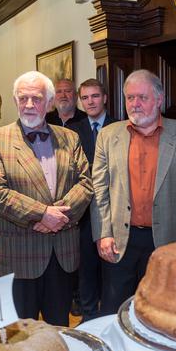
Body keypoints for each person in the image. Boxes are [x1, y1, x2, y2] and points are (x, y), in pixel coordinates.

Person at [0, 70, 92, 326]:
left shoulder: (70, 138)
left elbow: (86, 183)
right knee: (21, 332)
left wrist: (57, 217)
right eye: (23, 98)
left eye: (37, 98)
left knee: (59, 328)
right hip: (20, 253)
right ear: (15, 101)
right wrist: (43, 214)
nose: (29, 105)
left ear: (50, 102)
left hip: (62, 251)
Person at [91, 69, 176, 315]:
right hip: (120, 240)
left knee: (161, 311)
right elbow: (99, 189)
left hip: (167, 241)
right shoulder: (108, 135)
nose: (135, 104)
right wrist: (103, 234)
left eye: (142, 97)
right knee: (113, 311)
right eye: (130, 98)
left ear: (159, 99)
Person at [68, 78, 116, 321]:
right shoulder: (73, 130)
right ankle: (88, 317)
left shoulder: (120, 126)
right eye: (85, 98)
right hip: (85, 209)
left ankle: (109, 315)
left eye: (95, 96)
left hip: (115, 207)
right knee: (86, 265)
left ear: (105, 98)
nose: (90, 102)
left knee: (112, 265)